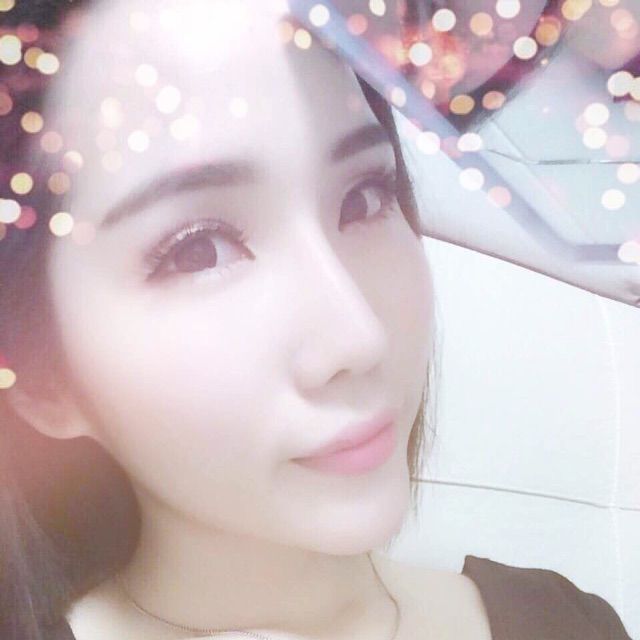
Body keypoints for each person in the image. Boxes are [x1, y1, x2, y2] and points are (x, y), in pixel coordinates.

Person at [0, 1, 632, 639]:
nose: (359, 336)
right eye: (198, 252)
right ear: (42, 381)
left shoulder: (567, 624)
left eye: (365, 196)